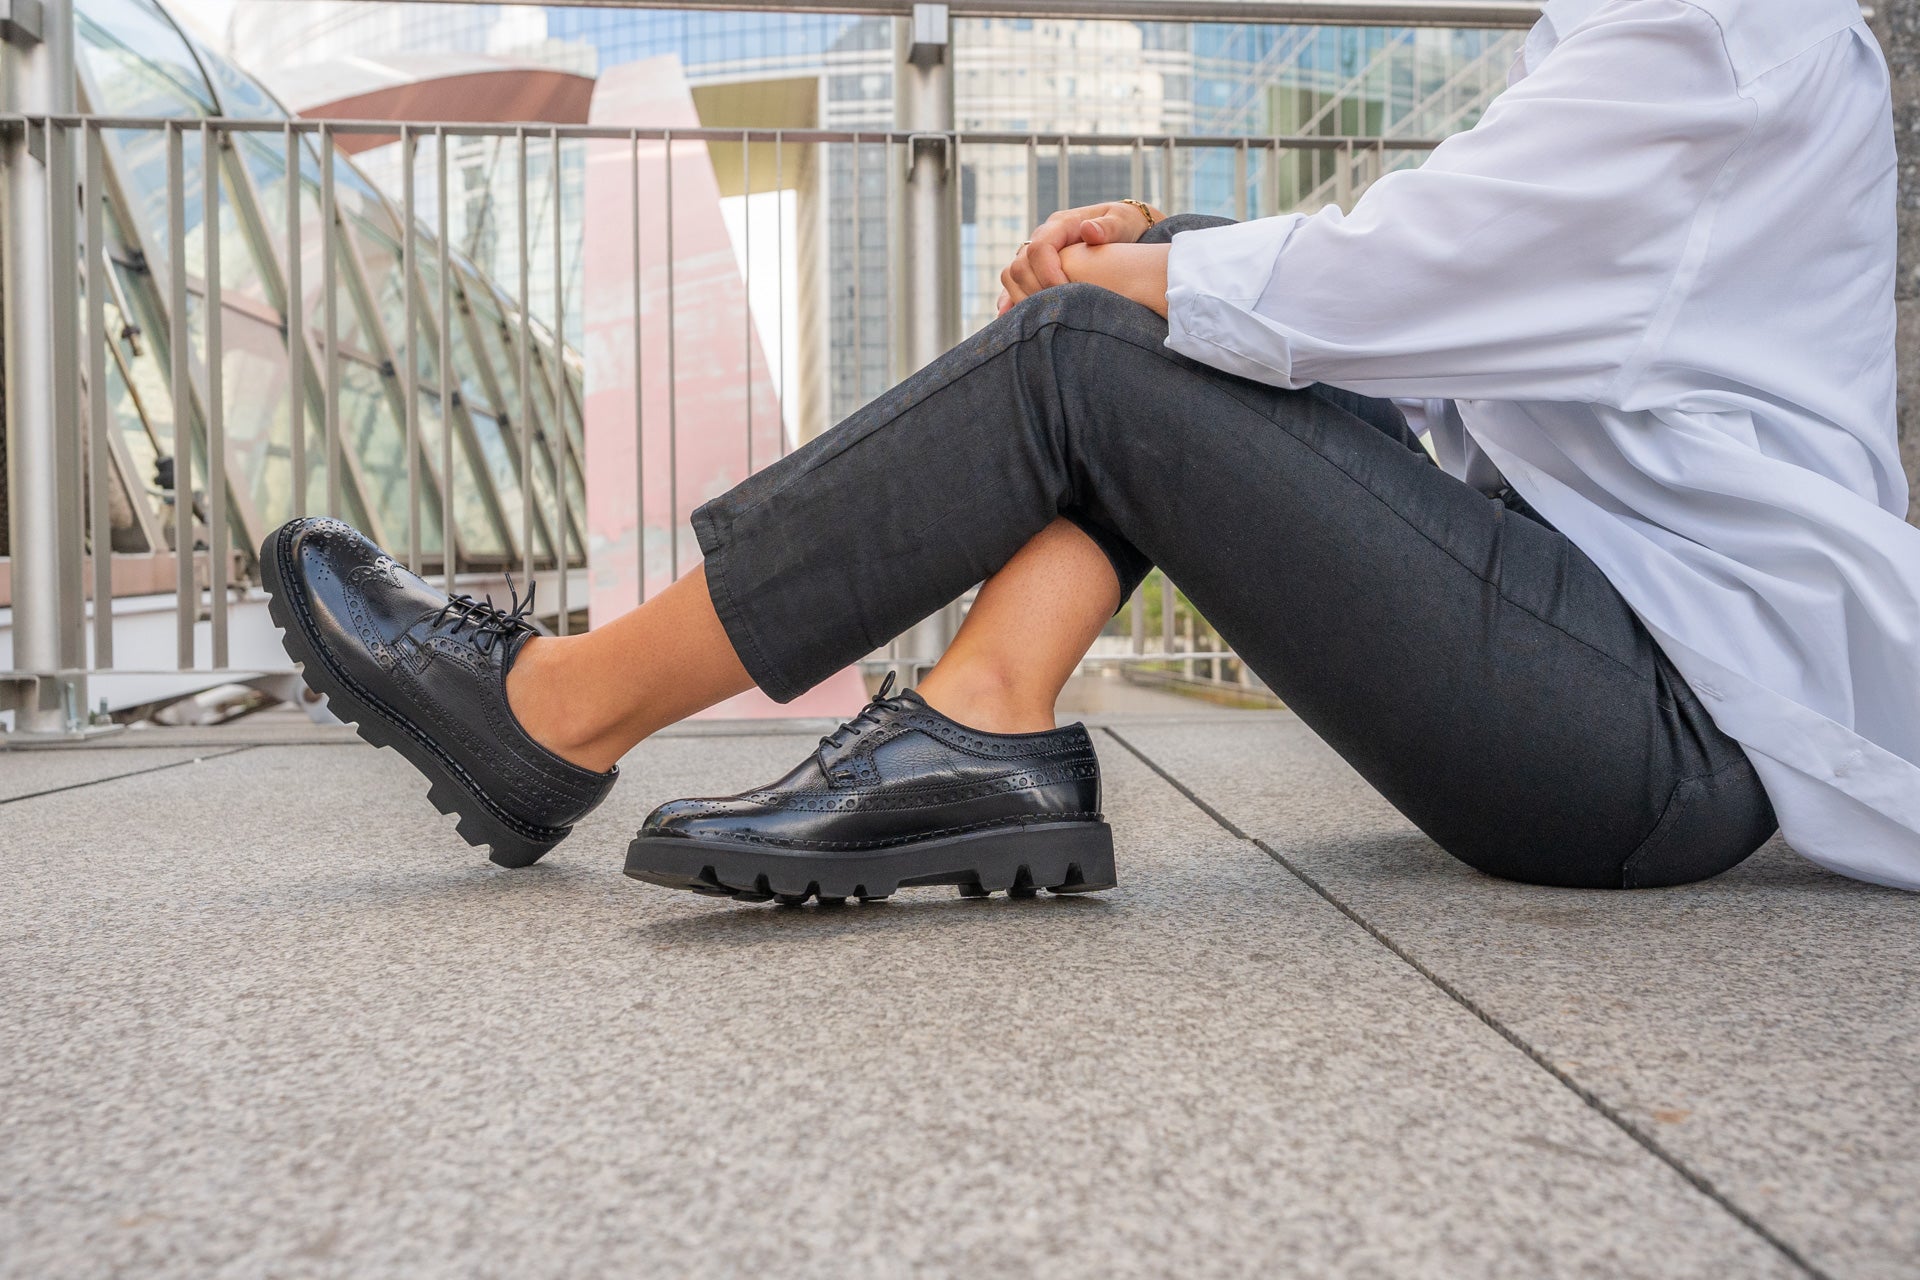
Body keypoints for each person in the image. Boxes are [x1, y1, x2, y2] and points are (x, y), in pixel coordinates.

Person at [262, 0, 1920, 903]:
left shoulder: (1719, 33)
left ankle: (553, 711)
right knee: (1149, 317)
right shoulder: (1689, 34)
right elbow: (1454, 315)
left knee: (1088, 350)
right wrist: (1172, 242)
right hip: (1616, 672)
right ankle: (982, 729)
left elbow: (1415, 281)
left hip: (1662, 732)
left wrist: (1162, 279)